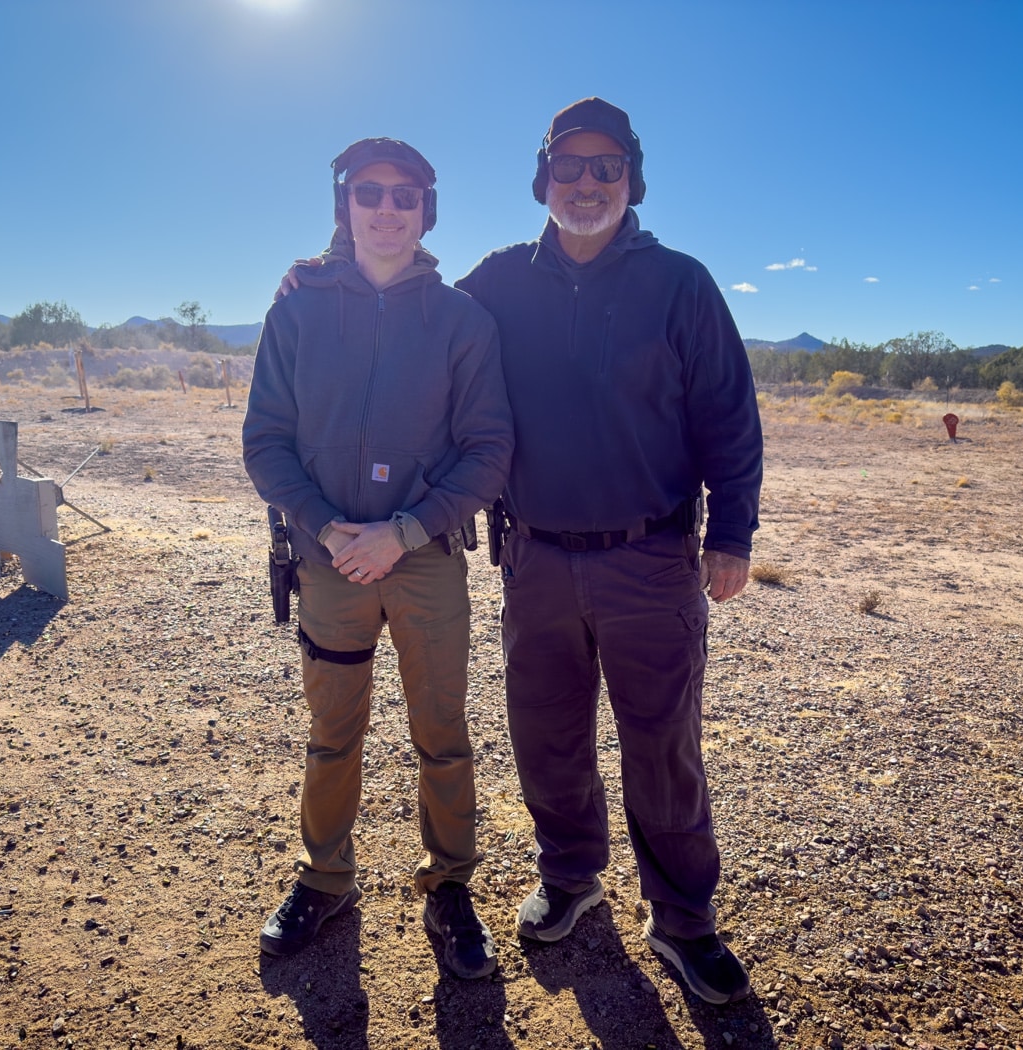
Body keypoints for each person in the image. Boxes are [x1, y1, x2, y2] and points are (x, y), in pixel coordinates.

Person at [279, 99, 763, 1006]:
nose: (587, 185)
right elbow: (404, 294)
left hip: (652, 556)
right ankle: (572, 877)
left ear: (633, 179)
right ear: (543, 179)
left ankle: (685, 922)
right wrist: (319, 271)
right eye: (570, 169)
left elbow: (728, 417)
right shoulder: (498, 282)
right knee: (547, 735)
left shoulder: (681, 284)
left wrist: (732, 531)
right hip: (534, 556)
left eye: (606, 168)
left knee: (662, 743)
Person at [242, 137, 513, 980]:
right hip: (327, 561)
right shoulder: (296, 310)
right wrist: (326, 530)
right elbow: (265, 441)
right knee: (333, 733)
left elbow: (489, 449)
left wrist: (401, 531)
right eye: (369, 192)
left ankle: (452, 887)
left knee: (442, 729)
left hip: (425, 556)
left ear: (427, 208)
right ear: (344, 204)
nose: (387, 208)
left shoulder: (462, 319)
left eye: (405, 194)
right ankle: (325, 879)